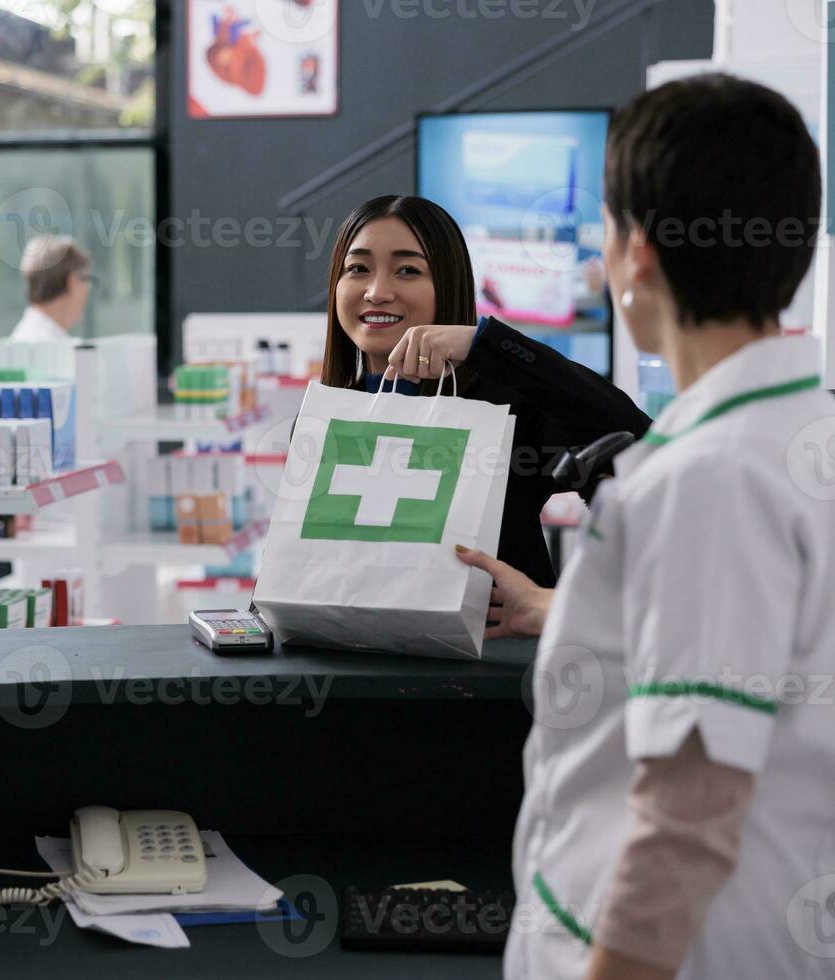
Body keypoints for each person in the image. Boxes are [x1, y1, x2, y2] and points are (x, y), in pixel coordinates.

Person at [462, 74, 834, 980]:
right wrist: (569, 607)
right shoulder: (799, 434)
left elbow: (688, 809)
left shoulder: (707, 478)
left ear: (637, 254)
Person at [320, 194, 648, 590]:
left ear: (449, 283)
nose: (377, 291)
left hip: (495, 649)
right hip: (344, 649)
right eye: (357, 268)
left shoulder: (505, 407)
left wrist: (486, 344)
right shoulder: (323, 419)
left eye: (407, 270)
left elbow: (633, 435)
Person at [8, 235, 92, 343]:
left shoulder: (20, 338)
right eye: (85, 280)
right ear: (72, 282)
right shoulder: (64, 350)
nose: (87, 289)